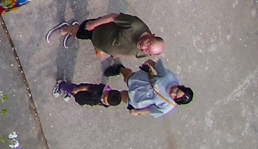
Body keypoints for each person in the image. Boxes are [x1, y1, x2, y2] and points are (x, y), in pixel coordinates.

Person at [56, 60, 192, 116]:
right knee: (127, 76)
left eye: (175, 96)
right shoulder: (168, 77)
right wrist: (147, 64)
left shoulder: (168, 105)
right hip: (141, 82)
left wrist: (138, 112)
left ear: (176, 102)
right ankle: (120, 68)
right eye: (177, 90)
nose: (173, 92)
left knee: (124, 97)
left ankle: (110, 95)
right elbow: (154, 64)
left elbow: (152, 109)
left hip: (140, 99)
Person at [45, 12, 166, 69]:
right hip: (96, 31)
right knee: (78, 34)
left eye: (147, 50)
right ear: (152, 35)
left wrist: (119, 54)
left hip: (101, 44)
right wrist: (94, 24)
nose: (144, 47)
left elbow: (134, 55)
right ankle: (64, 29)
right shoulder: (135, 25)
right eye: (148, 43)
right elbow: (113, 17)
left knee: (80, 35)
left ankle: (74, 29)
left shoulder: (144, 52)